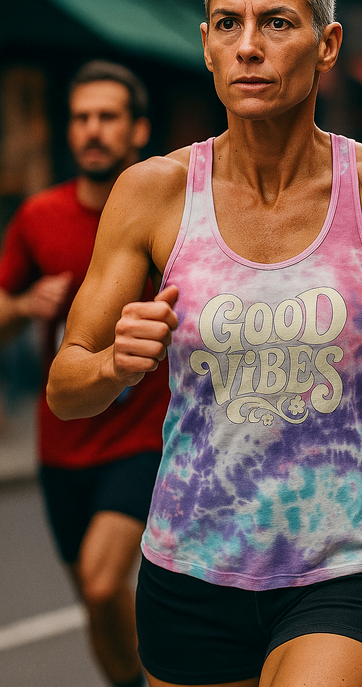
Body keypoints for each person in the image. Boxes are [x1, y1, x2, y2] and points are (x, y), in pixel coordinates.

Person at [47, 0, 362, 687]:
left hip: (350, 562)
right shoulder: (153, 193)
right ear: (205, 44)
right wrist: (112, 365)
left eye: (277, 23)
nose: (249, 46)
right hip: (191, 566)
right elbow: (66, 388)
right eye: (228, 23)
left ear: (327, 45)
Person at [0, 60, 170, 687]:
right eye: (81, 118)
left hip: (142, 434)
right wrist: (23, 305)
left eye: (108, 117)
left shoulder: (167, 213)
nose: (92, 130)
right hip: (62, 441)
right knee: (96, 605)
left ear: (138, 130)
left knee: (102, 583)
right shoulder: (38, 216)